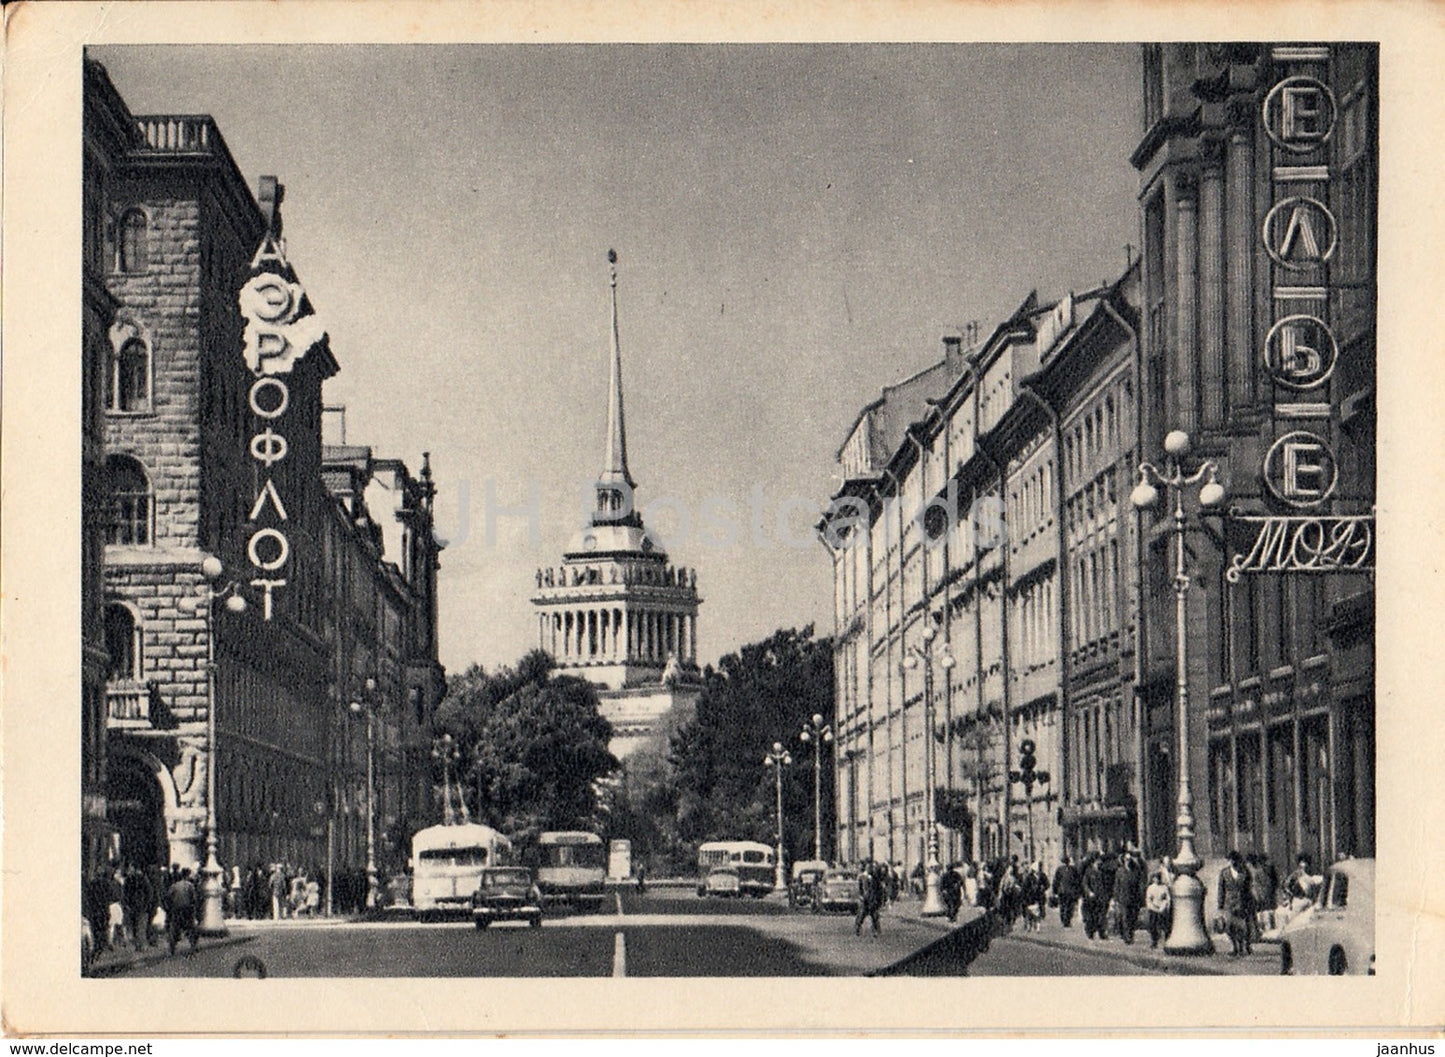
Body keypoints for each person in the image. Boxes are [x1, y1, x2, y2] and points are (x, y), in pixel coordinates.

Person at [1217, 850, 1255, 956]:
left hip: (1243, 902)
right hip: (1229, 904)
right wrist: (1220, 905)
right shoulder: (1224, 873)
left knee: (1243, 927)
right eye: (1231, 860)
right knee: (1229, 927)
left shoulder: (1245, 872)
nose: (1233, 862)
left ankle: (1244, 946)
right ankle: (1234, 947)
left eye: (1235, 860)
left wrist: (1249, 903)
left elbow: (1249, 888)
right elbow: (1221, 889)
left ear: (1238, 861)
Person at [163, 868, 200, 955]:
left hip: (176, 909)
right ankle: (193, 946)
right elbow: (193, 898)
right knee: (190, 928)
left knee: (175, 928)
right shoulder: (189, 885)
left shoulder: (174, 886)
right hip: (187, 909)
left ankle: (172, 947)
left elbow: (168, 897)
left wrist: (169, 907)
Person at [1112, 851, 1144, 944]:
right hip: (1123, 898)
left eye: (1129, 859)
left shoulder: (1135, 871)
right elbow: (1116, 885)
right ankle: (1127, 937)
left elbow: (1139, 885)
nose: (1128, 861)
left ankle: (1129, 933)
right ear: (1123, 860)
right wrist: (1116, 898)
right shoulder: (1120, 871)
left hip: (1134, 898)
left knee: (1133, 918)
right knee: (1125, 917)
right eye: (1126, 859)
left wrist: (1140, 897)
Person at [1052, 854, 1082, 928]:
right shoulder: (1070, 869)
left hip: (1065, 891)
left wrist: (1055, 891)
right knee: (1067, 906)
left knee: (1066, 906)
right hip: (1066, 891)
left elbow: (1056, 881)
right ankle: (1066, 921)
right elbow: (1077, 881)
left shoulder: (1065, 869)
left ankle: (1065, 920)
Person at [1144, 869, 1171, 949]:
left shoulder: (1164, 887)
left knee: (1165, 926)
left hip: (1162, 908)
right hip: (1153, 909)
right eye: (1155, 878)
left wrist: (1164, 907)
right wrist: (1153, 907)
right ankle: (1154, 941)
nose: (1157, 879)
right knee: (1153, 926)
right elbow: (1148, 899)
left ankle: (1166, 941)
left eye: (1159, 878)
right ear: (1153, 879)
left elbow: (1167, 898)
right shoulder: (1151, 888)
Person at [854, 862, 882, 936]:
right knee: (861, 915)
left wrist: (879, 899)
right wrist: (861, 896)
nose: (871, 869)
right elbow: (859, 888)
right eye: (869, 868)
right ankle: (857, 928)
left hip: (873, 899)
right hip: (865, 899)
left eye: (871, 868)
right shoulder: (862, 877)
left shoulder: (875, 878)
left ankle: (876, 931)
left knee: (875, 916)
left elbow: (879, 889)